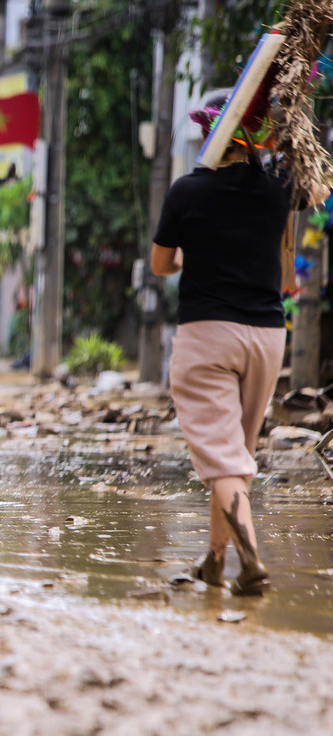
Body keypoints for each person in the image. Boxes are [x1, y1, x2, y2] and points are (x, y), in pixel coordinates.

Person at [151, 87, 312, 596]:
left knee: (223, 461)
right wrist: (289, 141)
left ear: (208, 135)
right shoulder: (278, 187)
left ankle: (252, 558)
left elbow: (162, 265)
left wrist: (189, 257)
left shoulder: (186, 192)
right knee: (235, 457)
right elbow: (318, 187)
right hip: (266, 337)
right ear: (256, 136)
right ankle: (215, 561)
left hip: (207, 339)